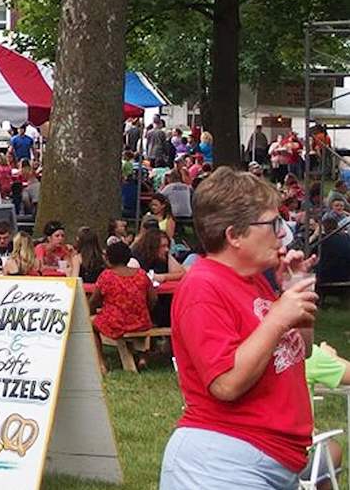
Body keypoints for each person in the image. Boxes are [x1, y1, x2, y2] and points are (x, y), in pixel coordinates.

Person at [160, 167, 318, 489]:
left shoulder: (255, 281)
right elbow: (227, 384)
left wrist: (294, 293)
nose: (283, 233)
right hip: (221, 464)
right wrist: (276, 318)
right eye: (273, 224)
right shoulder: (203, 286)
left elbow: (301, 351)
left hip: (265, 460)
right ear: (234, 235)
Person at [90, 241, 156, 353]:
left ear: (109, 258)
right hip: (141, 322)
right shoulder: (141, 274)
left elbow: (94, 301)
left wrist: (91, 311)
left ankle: (100, 362)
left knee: (90, 323)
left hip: (117, 324)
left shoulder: (107, 276)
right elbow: (153, 299)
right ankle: (142, 357)